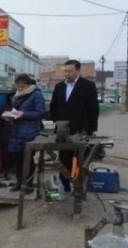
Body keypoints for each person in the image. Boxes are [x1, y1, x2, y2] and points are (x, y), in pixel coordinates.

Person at [49, 59, 99, 192]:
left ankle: (79, 189)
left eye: (70, 71)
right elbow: (53, 106)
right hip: (62, 131)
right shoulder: (59, 87)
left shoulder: (88, 86)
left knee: (80, 161)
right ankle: (64, 187)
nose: (67, 73)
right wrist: (57, 123)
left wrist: (90, 130)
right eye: (65, 71)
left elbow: (93, 109)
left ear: (78, 71)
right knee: (64, 159)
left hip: (81, 132)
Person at [5, 74, 45, 193]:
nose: (20, 88)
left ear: (28, 85)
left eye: (22, 86)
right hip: (17, 131)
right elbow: (16, 110)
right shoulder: (18, 95)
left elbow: (40, 113)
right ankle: (19, 182)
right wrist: (11, 115)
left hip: (29, 132)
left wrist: (24, 114)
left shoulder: (36, 94)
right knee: (18, 159)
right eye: (18, 86)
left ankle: (28, 184)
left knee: (28, 158)